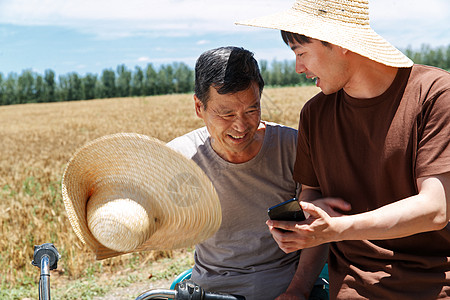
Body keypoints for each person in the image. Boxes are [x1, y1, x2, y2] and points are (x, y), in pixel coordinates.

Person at [236, 0, 450, 299]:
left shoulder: (435, 93)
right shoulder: (315, 114)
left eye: (301, 53)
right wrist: (305, 226)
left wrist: (337, 228)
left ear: (339, 43)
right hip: (351, 289)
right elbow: (312, 195)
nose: (299, 68)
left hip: (433, 287)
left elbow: (435, 209)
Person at [167, 46, 330, 300]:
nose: (241, 126)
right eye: (226, 113)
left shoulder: (293, 148)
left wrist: (297, 291)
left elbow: (319, 226)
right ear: (199, 107)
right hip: (209, 293)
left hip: (286, 288)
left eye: (252, 110)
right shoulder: (180, 157)